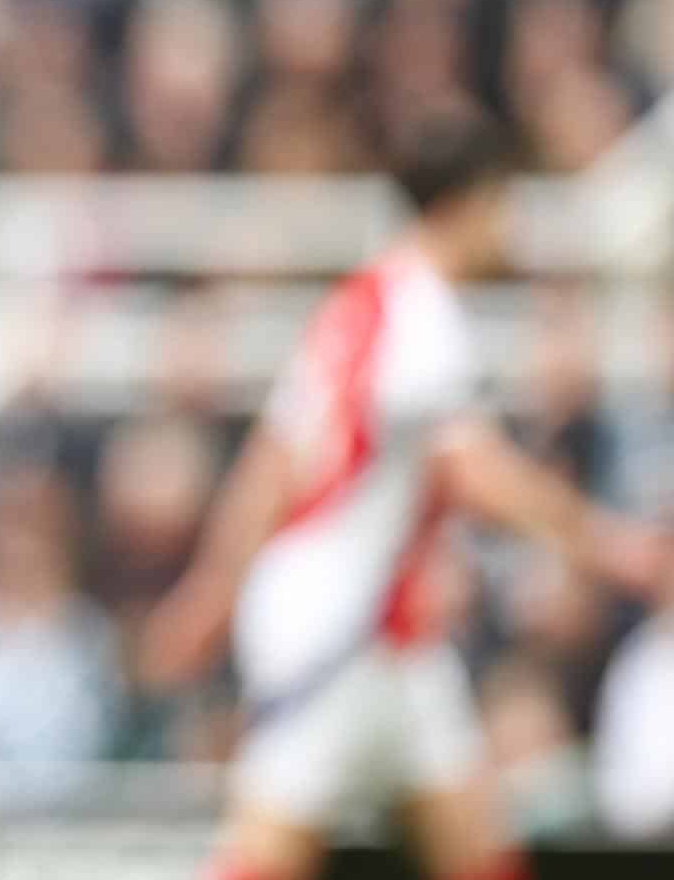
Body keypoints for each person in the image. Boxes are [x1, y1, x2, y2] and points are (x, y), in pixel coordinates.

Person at [140, 111, 671, 880]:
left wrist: (213, 589)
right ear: (474, 201)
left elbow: (272, 462)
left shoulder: (361, 304)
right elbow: (475, 470)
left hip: (383, 633)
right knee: (263, 856)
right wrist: (606, 541)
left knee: (476, 841)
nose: (512, 223)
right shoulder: (425, 315)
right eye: (506, 201)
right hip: (342, 631)